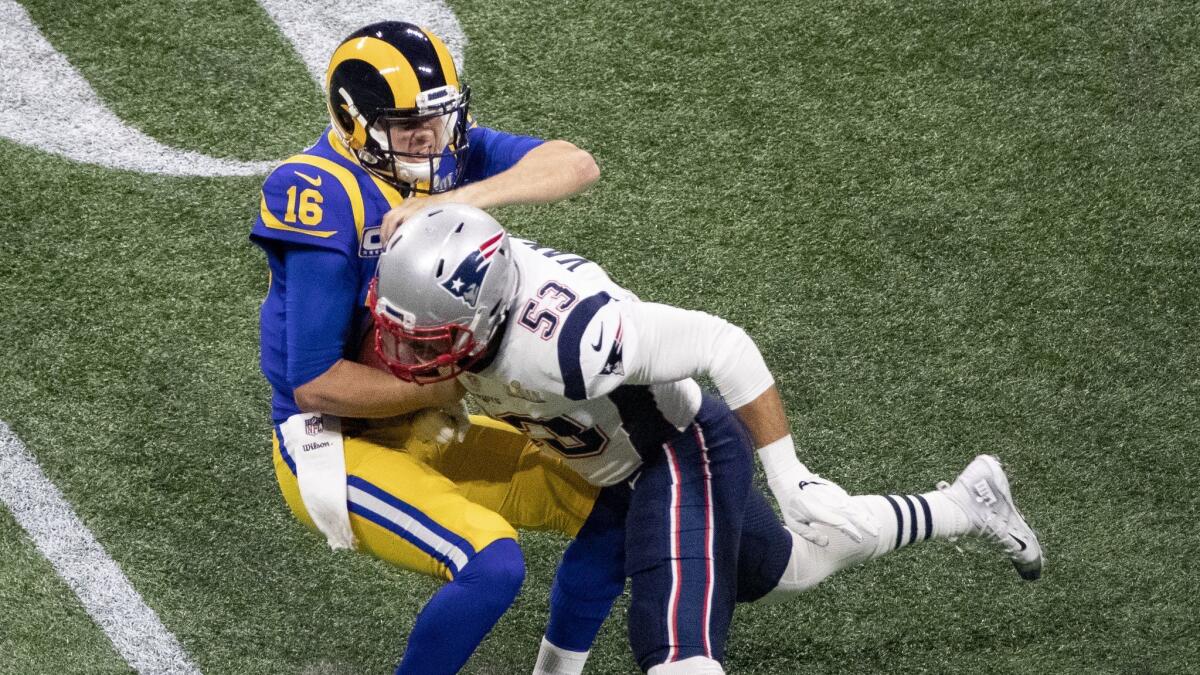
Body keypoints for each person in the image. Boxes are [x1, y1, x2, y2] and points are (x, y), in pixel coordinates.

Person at [367, 204, 1045, 674]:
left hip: (678, 451)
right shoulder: (474, 308)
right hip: (625, 470)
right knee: (793, 566)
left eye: (427, 340)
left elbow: (723, 342)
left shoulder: (570, 341)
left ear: (488, 315)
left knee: (675, 650)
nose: (405, 355)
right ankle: (966, 501)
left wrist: (789, 474)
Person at [249, 20, 605, 675]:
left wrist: (464, 195)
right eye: (410, 126)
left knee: (620, 498)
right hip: (336, 438)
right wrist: (459, 385)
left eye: (440, 120)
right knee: (492, 561)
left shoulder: (442, 157)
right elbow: (315, 382)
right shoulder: (319, 191)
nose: (432, 139)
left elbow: (575, 163)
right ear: (355, 124)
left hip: (433, 419)